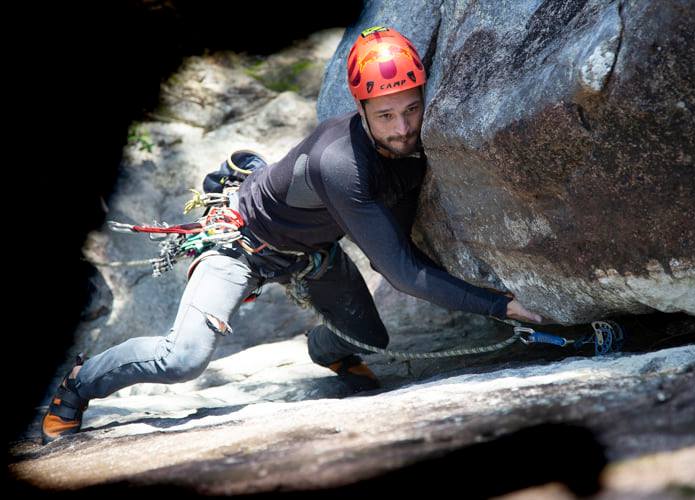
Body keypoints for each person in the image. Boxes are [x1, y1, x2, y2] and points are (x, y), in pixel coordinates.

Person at [41, 25, 543, 444]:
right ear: (362, 111)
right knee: (184, 360)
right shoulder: (340, 164)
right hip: (239, 247)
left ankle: (322, 349)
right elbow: (403, 272)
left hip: (310, 254)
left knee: (368, 338)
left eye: (412, 109)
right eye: (386, 115)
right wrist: (502, 306)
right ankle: (79, 385)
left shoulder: (411, 145)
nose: (402, 128)